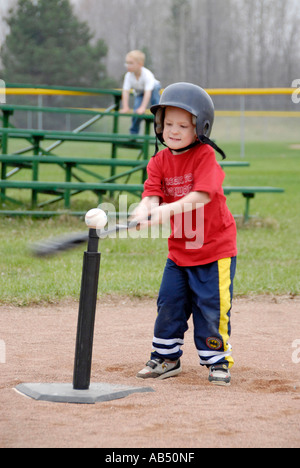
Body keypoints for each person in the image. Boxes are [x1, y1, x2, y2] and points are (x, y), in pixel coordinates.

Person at [131, 82, 237, 386]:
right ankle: (166, 357)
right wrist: (144, 209)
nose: (173, 131)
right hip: (179, 252)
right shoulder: (159, 161)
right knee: (169, 303)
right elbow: (151, 194)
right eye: (168, 124)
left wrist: (164, 211)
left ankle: (217, 361)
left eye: (182, 125)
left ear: (200, 128)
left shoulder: (205, 156)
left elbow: (202, 196)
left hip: (213, 251)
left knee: (210, 308)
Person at [120, 50, 161, 134]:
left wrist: (143, 107)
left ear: (140, 64)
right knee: (136, 113)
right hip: (140, 93)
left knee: (155, 90)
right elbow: (125, 91)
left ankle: (158, 112)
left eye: (131, 63)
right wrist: (125, 107)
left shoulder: (147, 74)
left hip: (151, 90)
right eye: (127, 63)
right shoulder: (128, 75)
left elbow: (148, 92)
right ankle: (133, 134)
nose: (128, 66)